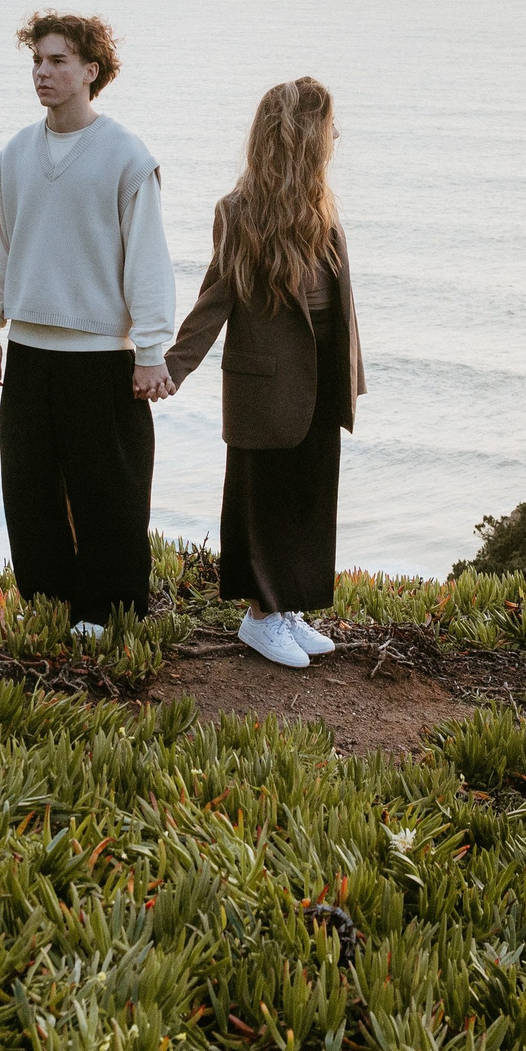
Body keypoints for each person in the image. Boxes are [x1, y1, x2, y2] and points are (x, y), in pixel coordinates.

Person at [0, 11, 176, 635]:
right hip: (30, 350)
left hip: (99, 356)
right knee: (29, 487)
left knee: (107, 492)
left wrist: (151, 348)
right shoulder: (15, 154)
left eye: (58, 61)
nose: (43, 72)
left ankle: (106, 610)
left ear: (91, 71)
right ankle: (51, 601)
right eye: (37, 60)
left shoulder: (126, 156)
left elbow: (148, 258)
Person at [165, 77, 364, 669]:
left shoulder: (322, 206)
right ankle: (260, 617)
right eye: (329, 126)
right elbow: (215, 298)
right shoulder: (241, 213)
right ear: (302, 136)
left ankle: (287, 607)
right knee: (264, 501)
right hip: (265, 382)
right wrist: (171, 367)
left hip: (321, 375)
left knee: (308, 495)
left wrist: (348, 374)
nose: (336, 136)